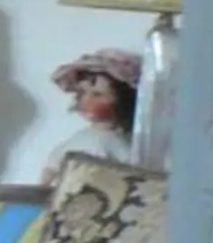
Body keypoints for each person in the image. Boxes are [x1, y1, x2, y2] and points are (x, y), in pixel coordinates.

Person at [44, 48, 141, 179]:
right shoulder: (80, 139)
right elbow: (52, 167)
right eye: (82, 92)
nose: (86, 100)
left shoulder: (117, 144)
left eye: (97, 94)